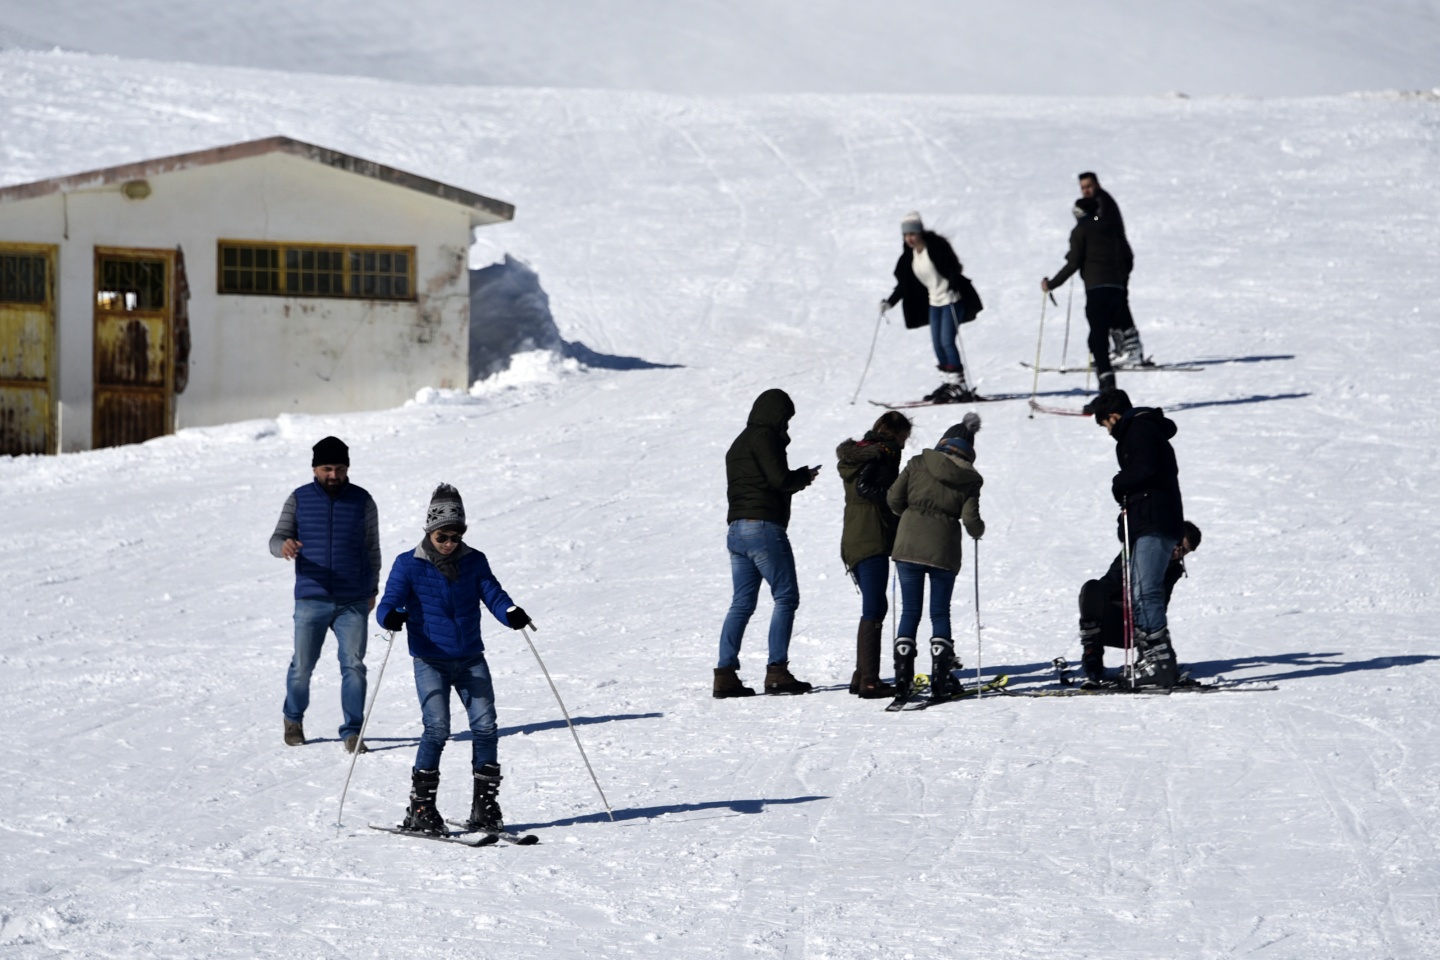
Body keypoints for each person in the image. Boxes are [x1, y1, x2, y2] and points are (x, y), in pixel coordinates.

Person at [376, 484, 532, 836]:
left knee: (486, 726)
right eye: (444, 535)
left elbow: (493, 593)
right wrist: (390, 617)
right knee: (437, 728)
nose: (450, 542)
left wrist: (510, 612)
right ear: (430, 530)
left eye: (457, 535)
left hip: (470, 658)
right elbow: (389, 603)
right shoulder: (408, 564)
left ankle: (485, 807)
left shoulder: (474, 560)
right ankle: (421, 807)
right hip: (430, 660)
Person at [269, 435, 380, 753]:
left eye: (340, 468)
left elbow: (372, 548)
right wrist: (284, 546)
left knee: (354, 665)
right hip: (311, 597)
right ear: (315, 468)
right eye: (327, 468)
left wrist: (372, 589)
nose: (334, 475)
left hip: (353, 599)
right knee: (302, 665)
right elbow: (276, 538)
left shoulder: (362, 501)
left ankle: (353, 731)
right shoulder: (299, 499)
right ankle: (293, 718)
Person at [715, 388, 820, 698]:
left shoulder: (738, 443)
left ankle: (725, 675)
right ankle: (777, 672)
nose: (786, 425)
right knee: (786, 597)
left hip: (736, 530)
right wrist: (803, 476)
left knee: (742, 603)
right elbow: (780, 480)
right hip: (763, 528)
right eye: (786, 419)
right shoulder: (765, 438)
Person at [1087, 390, 1185, 688]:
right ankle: (1152, 658)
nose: (1108, 432)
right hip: (1150, 518)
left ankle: (1160, 662)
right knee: (1140, 590)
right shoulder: (1142, 429)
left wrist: (1119, 483)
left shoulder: (1139, 428)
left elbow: (1145, 468)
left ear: (1113, 417)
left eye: (1106, 425)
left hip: (1155, 521)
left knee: (1145, 591)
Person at [886, 413, 986, 702]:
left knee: (909, 611)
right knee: (940, 612)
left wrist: (909, 517)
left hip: (907, 544)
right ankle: (940, 680)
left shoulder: (918, 463)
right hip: (943, 549)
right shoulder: (970, 478)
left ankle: (903, 680)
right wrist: (978, 531)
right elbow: (971, 520)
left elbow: (893, 499)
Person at [836, 410, 913, 699]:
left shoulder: (858, 454)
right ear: (896, 434)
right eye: (904, 437)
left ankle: (861, 675)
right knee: (874, 608)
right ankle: (869, 679)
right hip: (872, 535)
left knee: (874, 606)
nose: (905, 444)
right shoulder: (882, 454)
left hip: (854, 536)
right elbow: (868, 488)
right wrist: (898, 499)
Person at [1078, 521, 1201, 685]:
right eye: (1178, 545)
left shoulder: (1173, 569)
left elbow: (1159, 606)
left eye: (1184, 551)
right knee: (1092, 588)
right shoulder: (1138, 552)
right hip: (1110, 618)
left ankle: (1151, 661)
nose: (1178, 552)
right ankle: (1092, 656)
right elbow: (1109, 585)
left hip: (1136, 628)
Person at [880, 211, 984, 403]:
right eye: (905, 234)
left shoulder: (935, 247)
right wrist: (890, 302)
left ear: (920, 232)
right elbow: (904, 284)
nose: (909, 238)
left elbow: (953, 268)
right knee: (937, 344)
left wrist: (953, 287)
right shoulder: (909, 255)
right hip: (934, 303)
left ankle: (959, 386)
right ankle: (947, 383)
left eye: (912, 233)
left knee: (947, 341)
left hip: (952, 300)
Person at [1041, 196, 1132, 401]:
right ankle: (1108, 384)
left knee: (1097, 339)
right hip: (1117, 289)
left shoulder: (1080, 231)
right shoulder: (1110, 229)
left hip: (1097, 290)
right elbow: (1125, 257)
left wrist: (1051, 284)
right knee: (1100, 337)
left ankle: (1108, 391)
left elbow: (1073, 264)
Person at [1078, 171, 1146, 365]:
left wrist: (1084, 220)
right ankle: (1122, 348)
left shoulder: (1102, 204)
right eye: (1083, 188)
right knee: (1111, 306)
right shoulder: (1094, 205)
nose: (1086, 191)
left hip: (1117, 262)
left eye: (1089, 186)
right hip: (1109, 263)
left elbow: (1100, 228)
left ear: (1097, 184)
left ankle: (1132, 349)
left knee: (1118, 304)